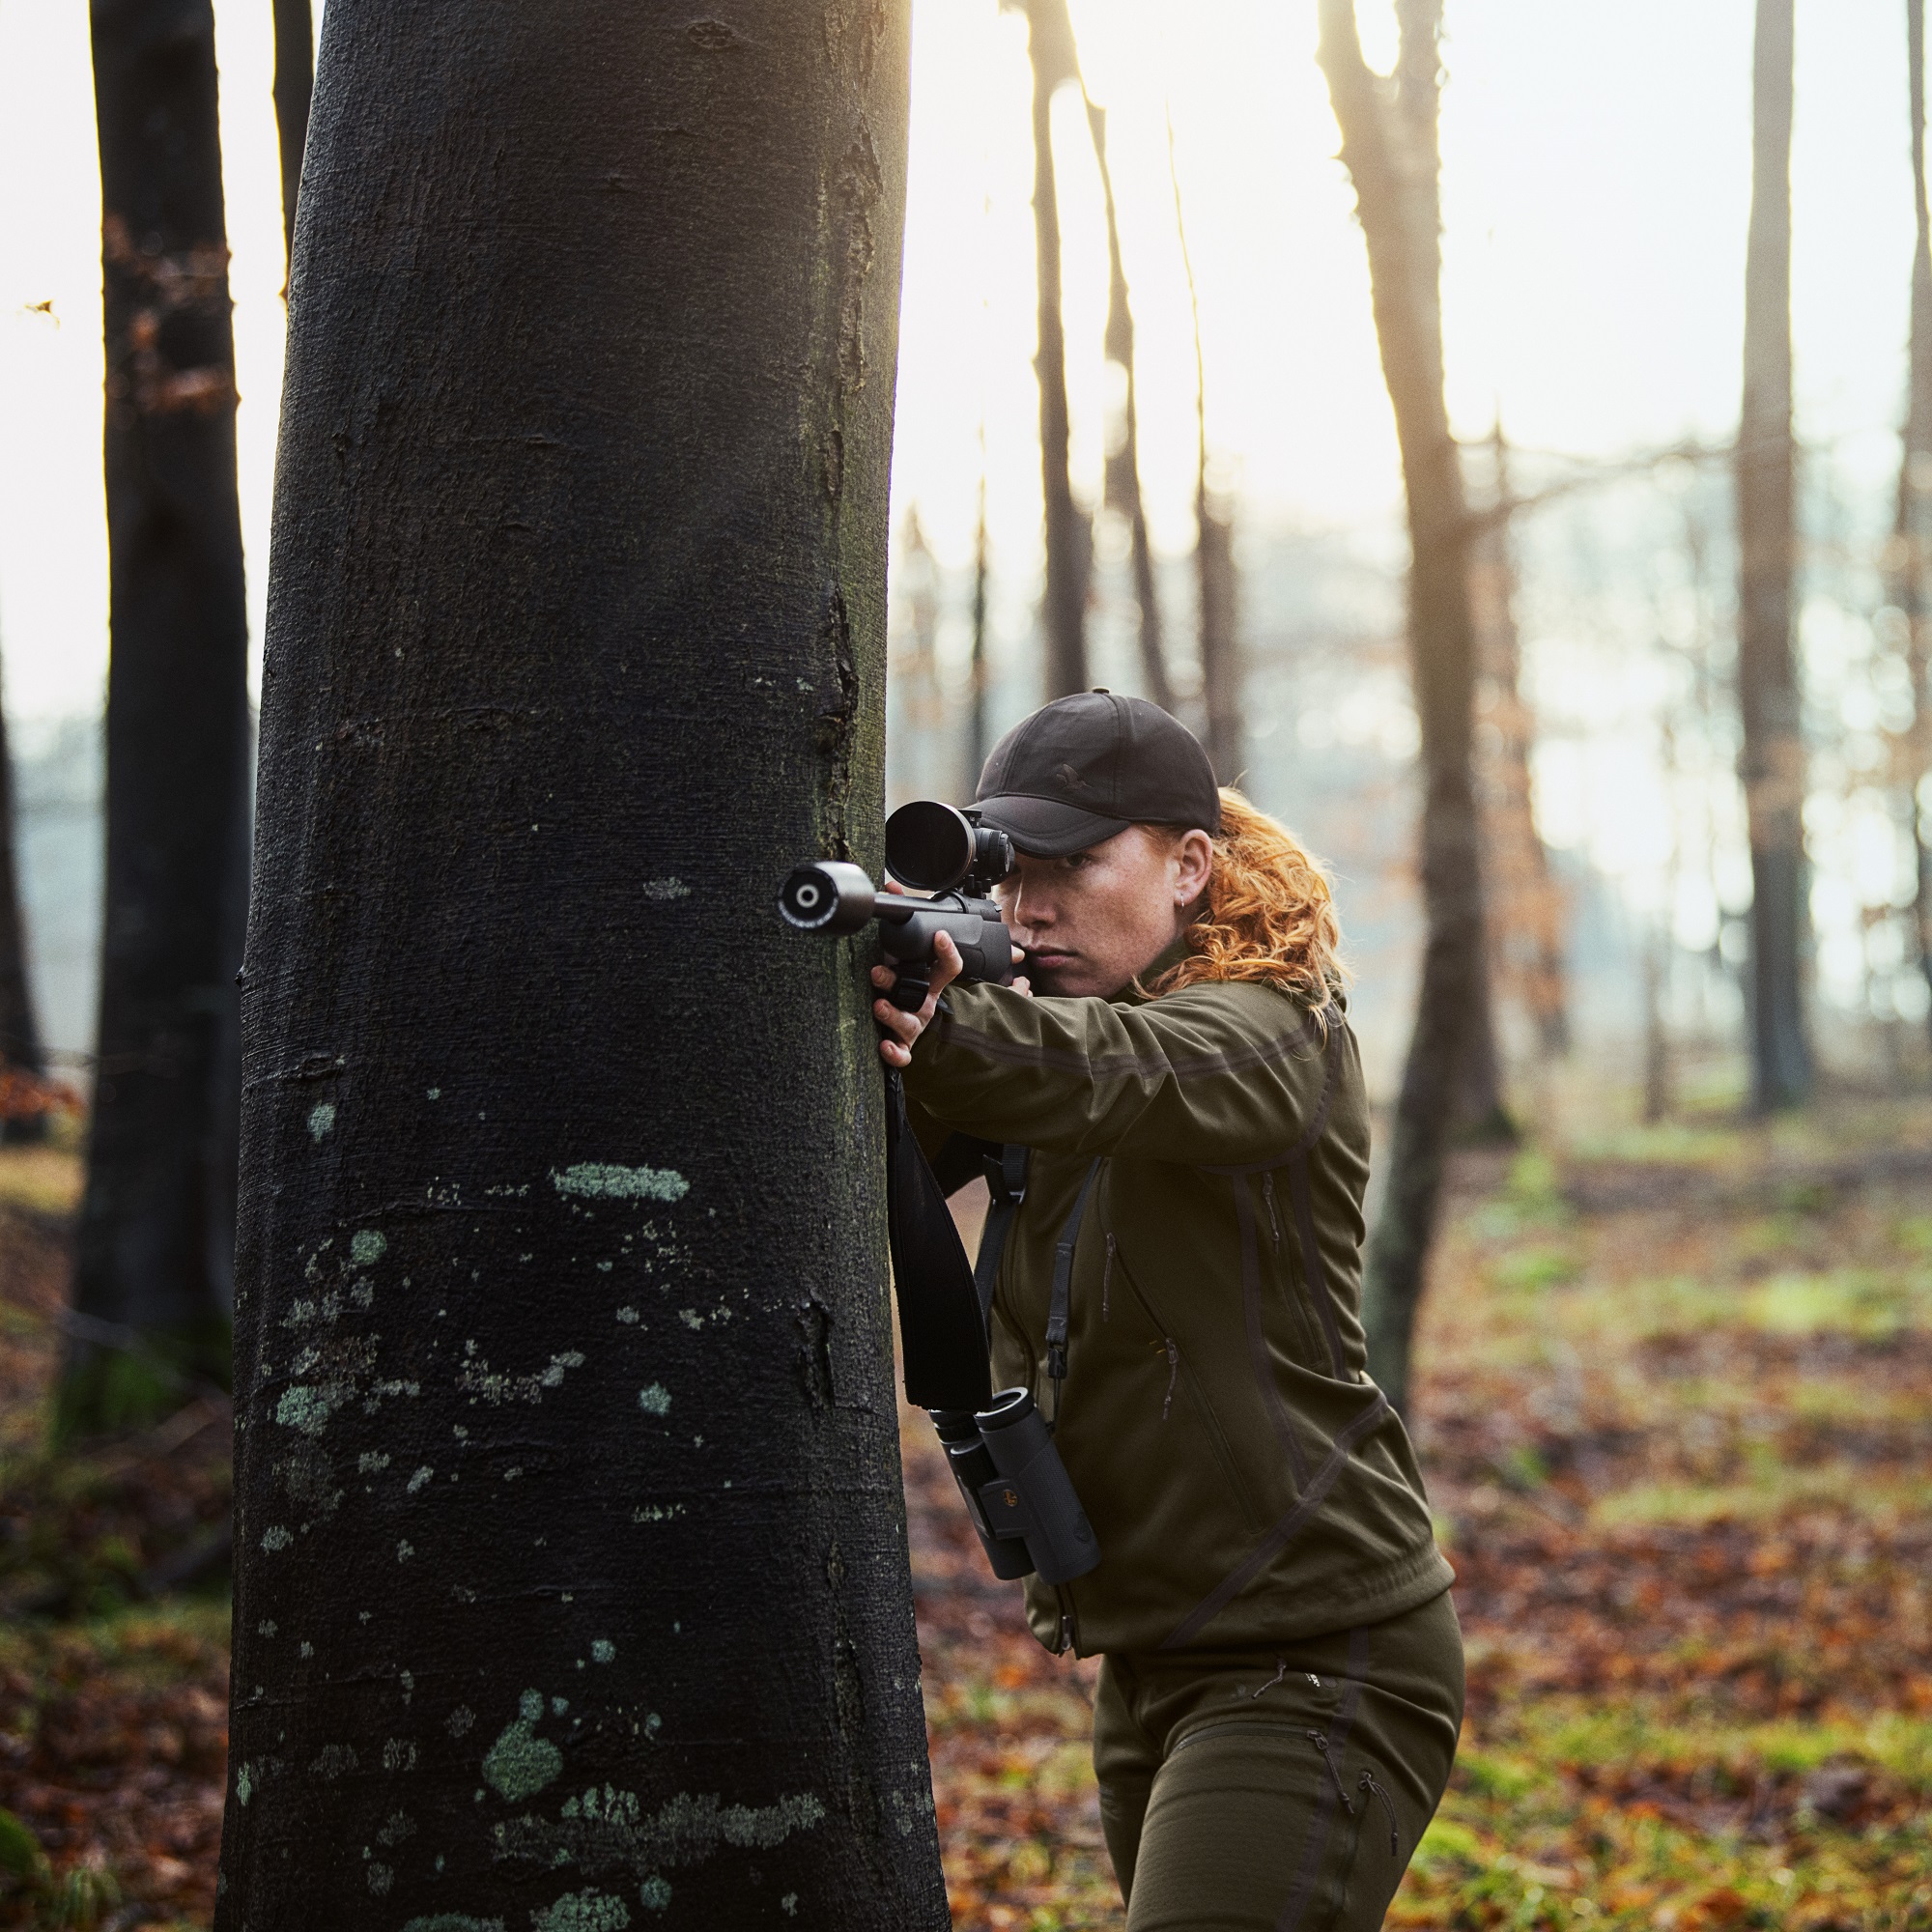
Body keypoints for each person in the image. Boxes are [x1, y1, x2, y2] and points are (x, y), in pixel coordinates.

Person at [874, 691, 1462, 1932]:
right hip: (1148, 1664)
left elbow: (1112, 1074)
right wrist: (865, 1038)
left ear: (1189, 864)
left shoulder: (1274, 1032)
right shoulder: (1038, 1032)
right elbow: (869, 1180)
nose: (1031, 906)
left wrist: (943, 1026)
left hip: (1317, 1651)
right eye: (1010, 873)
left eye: (1074, 865)